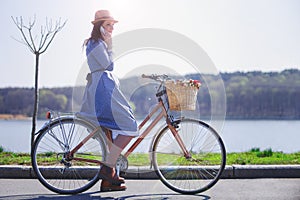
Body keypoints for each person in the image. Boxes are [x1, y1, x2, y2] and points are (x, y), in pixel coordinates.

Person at [80, 10, 138, 192]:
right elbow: (109, 65)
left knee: (110, 133)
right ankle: (108, 166)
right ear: (99, 26)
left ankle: (108, 179)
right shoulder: (96, 43)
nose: (112, 28)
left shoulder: (96, 43)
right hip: (103, 88)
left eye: (113, 25)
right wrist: (110, 46)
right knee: (130, 126)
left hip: (104, 86)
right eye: (108, 25)